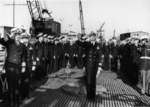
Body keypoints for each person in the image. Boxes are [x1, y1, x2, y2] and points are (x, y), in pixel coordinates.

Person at [0, 28, 27, 107]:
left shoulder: (22, 46)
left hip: (18, 67)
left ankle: (17, 102)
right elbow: (1, 41)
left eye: (19, 36)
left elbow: (24, 57)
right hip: (10, 67)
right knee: (11, 85)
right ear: (14, 36)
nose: (18, 37)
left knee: (17, 85)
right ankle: (11, 102)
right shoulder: (9, 43)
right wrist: (2, 36)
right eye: (16, 35)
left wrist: (24, 66)